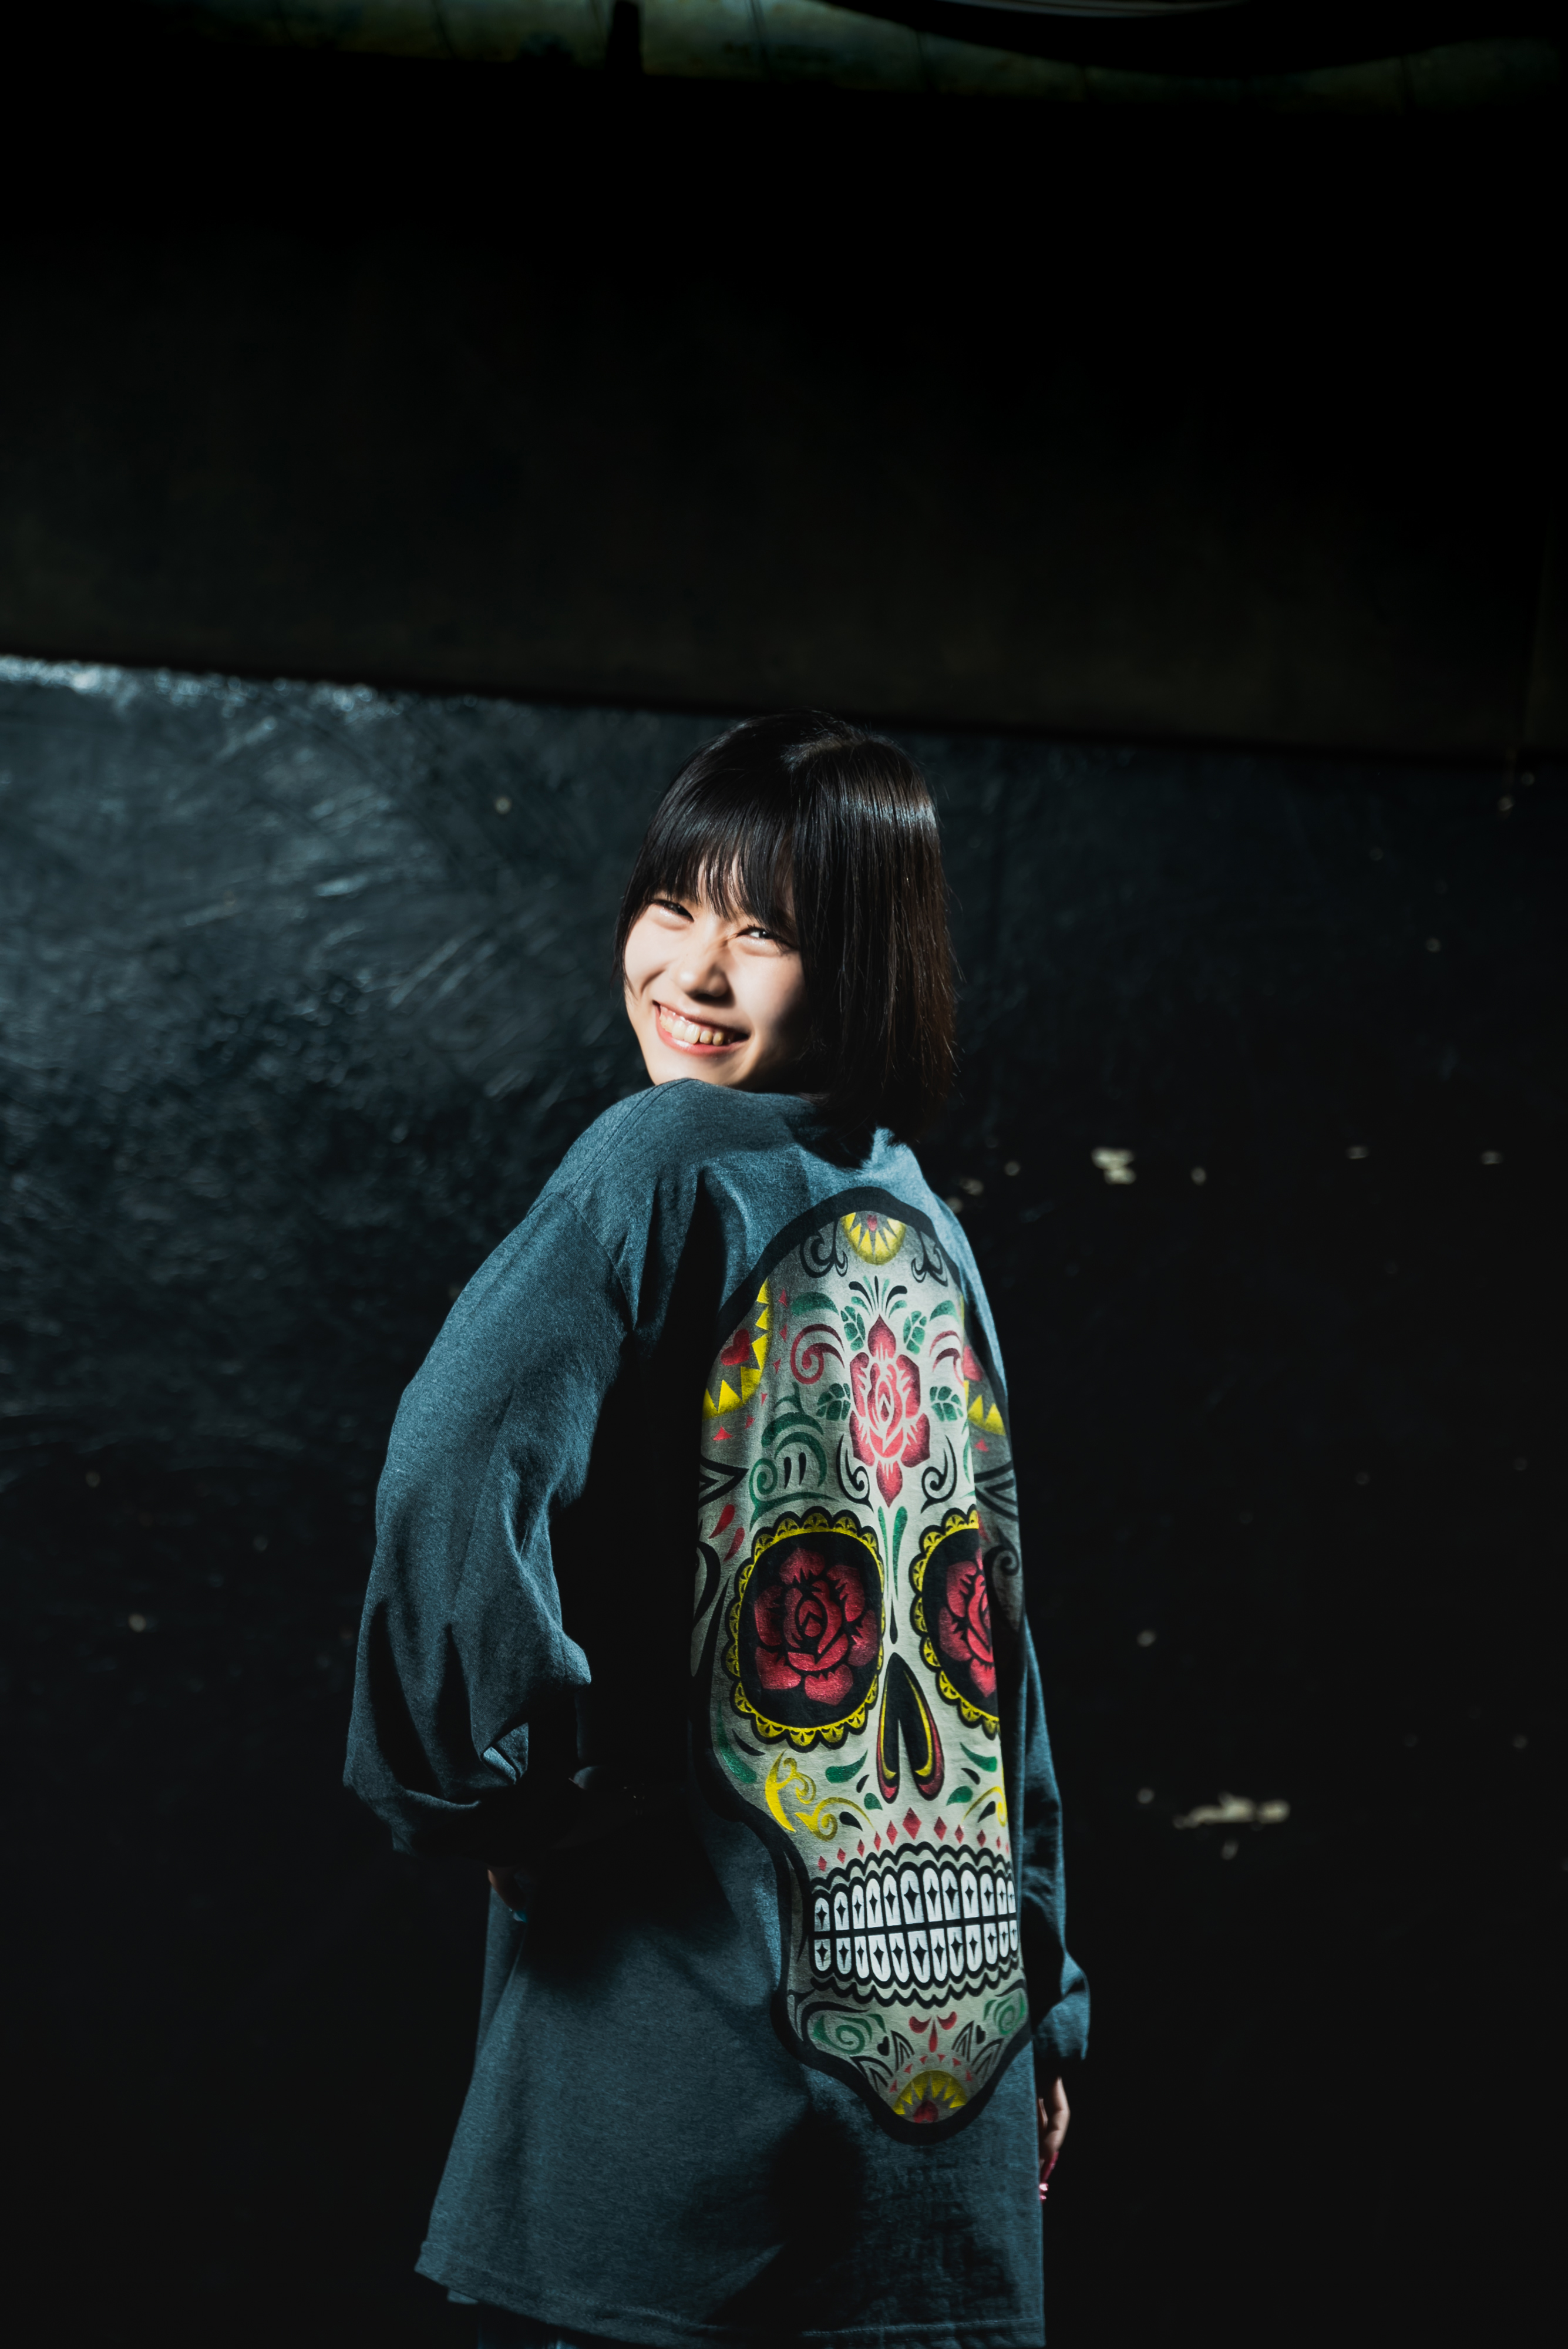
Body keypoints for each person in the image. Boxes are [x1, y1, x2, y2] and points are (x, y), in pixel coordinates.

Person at [346, 712, 1087, 2349]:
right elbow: (991, 1664)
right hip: (949, 2063)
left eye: (766, 932)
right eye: (675, 905)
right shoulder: (929, 1221)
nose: (693, 970)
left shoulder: (657, 1159)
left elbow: (445, 1463)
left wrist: (497, 1785)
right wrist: (1047, 1999)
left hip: (691, 2049)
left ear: (866, 962)